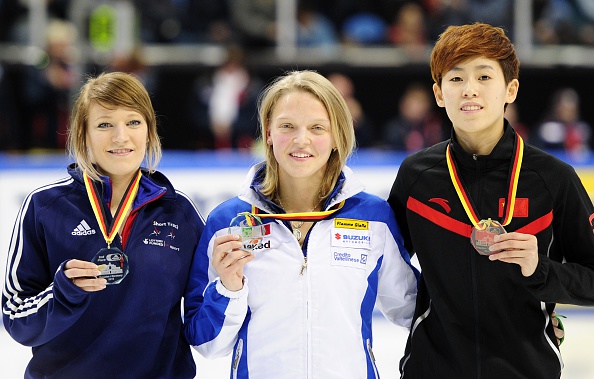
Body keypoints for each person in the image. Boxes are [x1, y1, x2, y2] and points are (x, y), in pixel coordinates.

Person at [388, 22, 594, 378]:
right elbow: (379, 262)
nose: (470, 90)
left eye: (484, 77)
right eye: (456, 79)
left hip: (527, 370)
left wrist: (540, 269)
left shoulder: (552, 179)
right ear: (439, 94)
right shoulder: (417, 176)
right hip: (431, 369)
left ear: (510, 89)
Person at [183, 70, 419, 378]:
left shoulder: (373, 217)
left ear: (337, 136)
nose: (301, 139)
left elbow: (413, 311)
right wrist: (228, 289)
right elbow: (206, 343)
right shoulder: (228, 223)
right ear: (268, 132)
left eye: (317, 127)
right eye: (287, 126)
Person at [2, 72, 205, 378]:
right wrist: (63, 292)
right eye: (104, 124)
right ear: (83, 135)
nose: (121, 137)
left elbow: (202, 321)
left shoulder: (180, 213)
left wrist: (233, 285)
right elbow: (16, 318)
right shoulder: (45, 207)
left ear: (150, 131)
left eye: (133, 122)